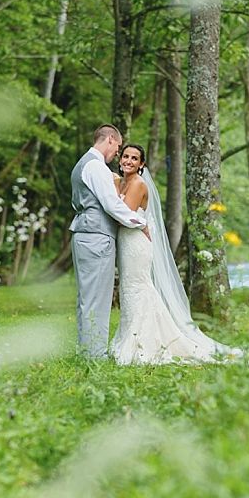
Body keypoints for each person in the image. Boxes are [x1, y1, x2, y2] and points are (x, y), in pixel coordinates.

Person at [109, 143, 249, 365]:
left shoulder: (137, 184)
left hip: (136, 246)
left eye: (134, 158)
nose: (128, 161)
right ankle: (132, 337)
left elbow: (123, 214)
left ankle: (143, 342)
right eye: (126, 157)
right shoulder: (124, 182)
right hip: (127, 243)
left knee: (138, 288)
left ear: (141, 164)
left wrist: (113, 189)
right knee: (130, 288)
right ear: (120, 158)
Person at [69, 124, 149, 358]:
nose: (118, 153)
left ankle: (87, 350)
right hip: (96, 237)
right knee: (97, 298)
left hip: (84, 233)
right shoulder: (96, 166)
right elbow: (111, 205)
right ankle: (95, 354)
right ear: (111, 140)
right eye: (119, 147)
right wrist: (140, 223)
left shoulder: (82, 164)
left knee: (87, 297)